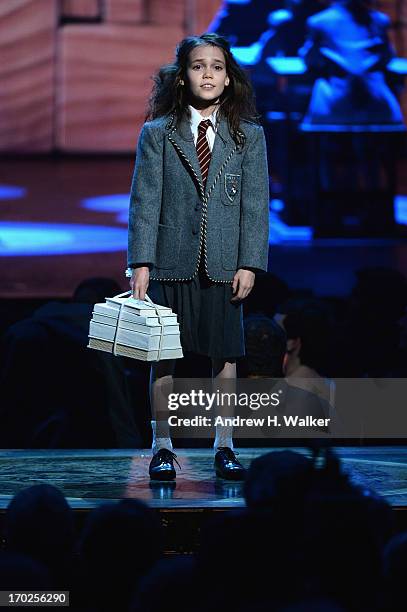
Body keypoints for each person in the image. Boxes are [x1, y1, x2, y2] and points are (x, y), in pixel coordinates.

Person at [127, 33, 270, 480]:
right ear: (182, 76)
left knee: (224, 356)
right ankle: (162, 446)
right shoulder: (158, 134)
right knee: (164, 356)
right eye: (197, 66)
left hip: (224, 264)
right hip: (171, 260)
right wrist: (140, 262)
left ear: (229, 79)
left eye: (216, 67)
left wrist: (249, 262)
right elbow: (145, 201)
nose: (207, 74)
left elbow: (254, 205)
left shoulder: (249, 137)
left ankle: (225, 444)